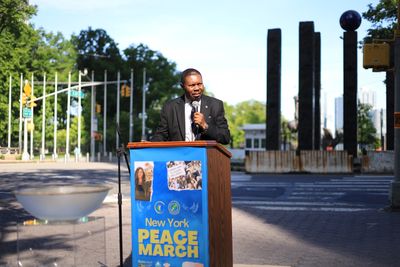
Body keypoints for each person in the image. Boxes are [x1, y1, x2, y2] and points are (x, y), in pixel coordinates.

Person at [151, 68, 230, 144]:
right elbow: (161, 135)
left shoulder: (215, 105)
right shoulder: (170, 107)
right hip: (179, 156)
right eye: (192, 85)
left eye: (199, 84)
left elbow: (225, 137)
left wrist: (205, 126)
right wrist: (149, 145)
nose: (197, 88)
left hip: (205, 156)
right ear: (182, 86)